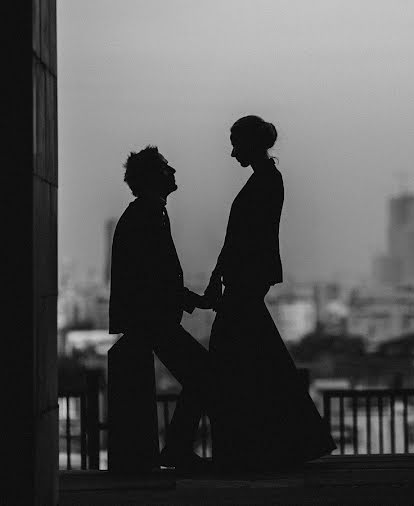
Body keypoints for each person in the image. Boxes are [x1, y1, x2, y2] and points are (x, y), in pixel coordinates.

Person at [205, 115, 336, 471]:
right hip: (246, 279)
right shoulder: (265, 180)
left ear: (249, 143)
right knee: (259, 361)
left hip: (244, 280)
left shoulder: (264, 182)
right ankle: (290, 440)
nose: (232, 153)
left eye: (235, 145)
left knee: (236, 363)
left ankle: (256, 445)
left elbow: (243, 237)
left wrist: (220, 274)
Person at [108, 146, 214, 470]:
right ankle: (178, 448)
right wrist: (194, 301)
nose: (174, 172)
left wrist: (192, 301)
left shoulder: (146, 212)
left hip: (150, 320)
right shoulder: (149, 214)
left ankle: (177, 448)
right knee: (204, 373)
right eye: (167, 167)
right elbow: (156, 277)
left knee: (201, 373)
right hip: (153, 321)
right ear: (154, 177)